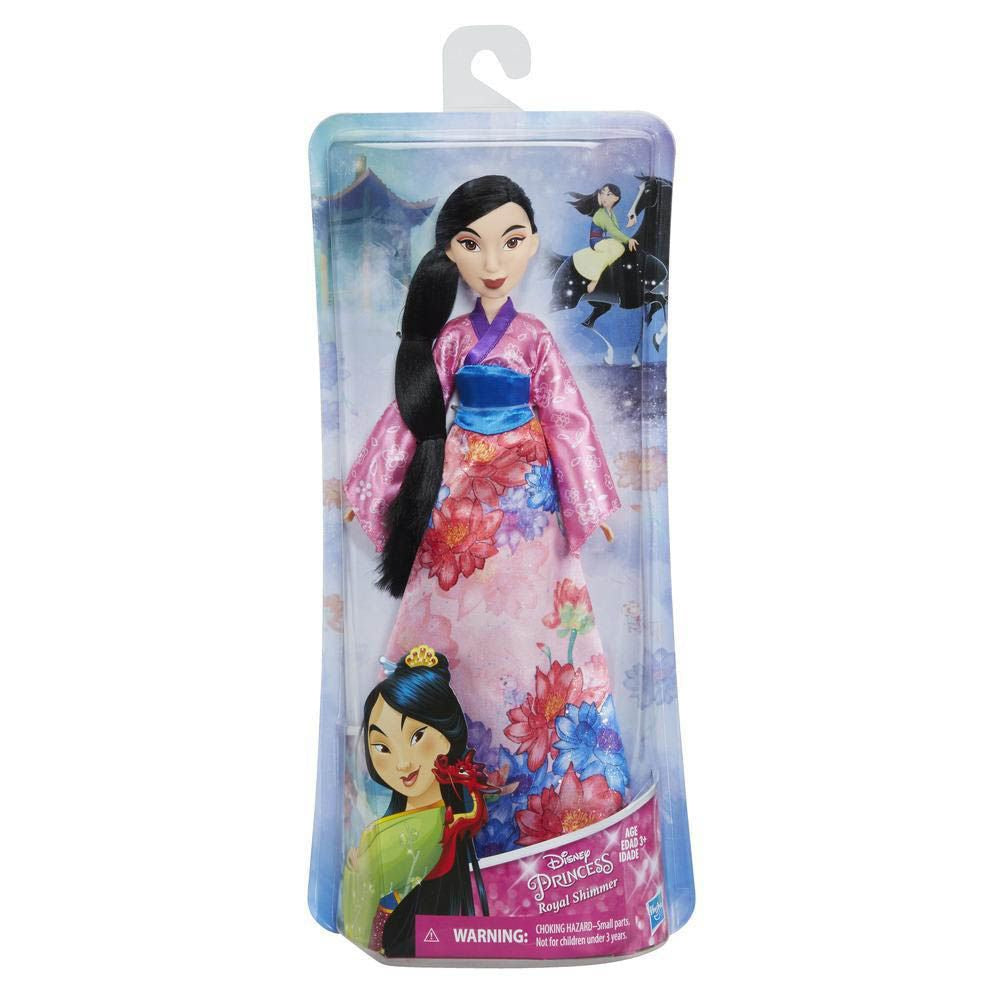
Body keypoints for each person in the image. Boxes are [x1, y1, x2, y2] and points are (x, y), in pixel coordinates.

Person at [344, 175, 628, 861]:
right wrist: (372, 484)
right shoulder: (450, 340)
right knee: (461, 627)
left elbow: (566, 419)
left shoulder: (533, 340)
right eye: (474, 245)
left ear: (532, 244)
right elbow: (412, 415)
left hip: (528, 498)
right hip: (463, 493)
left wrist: (587, 500)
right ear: (451, 252)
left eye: (511, 241)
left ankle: (551, 803)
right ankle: (445, 790)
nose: (494, 262)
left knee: (535, 630)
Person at [340, 646, 492, 957]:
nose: (402, 763)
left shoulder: (430, 827)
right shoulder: (422, 823)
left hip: (388, 941)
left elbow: (363, 899)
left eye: (416, 737)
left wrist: (361, 870)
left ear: (448, 732)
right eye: (382, 747)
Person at [569, 183, 639, 292]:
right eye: (602, 193)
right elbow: (613, 231)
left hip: (602, 240)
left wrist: (629, 225)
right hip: (596, 241)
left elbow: (616, 230)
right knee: (616, 249)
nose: (604, 196)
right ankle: (595, 279)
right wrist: (628, 239)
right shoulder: (601, 214)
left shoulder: (611, 213)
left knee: (619, 247)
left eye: (608, 194)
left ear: (616, 198)